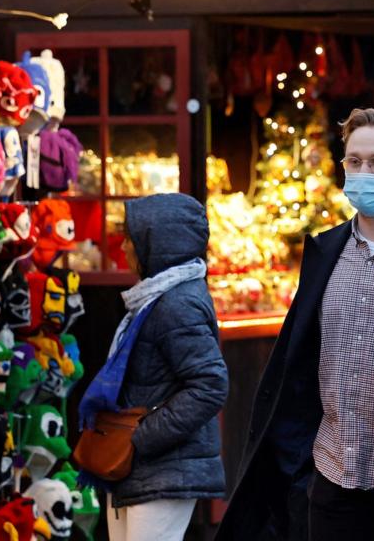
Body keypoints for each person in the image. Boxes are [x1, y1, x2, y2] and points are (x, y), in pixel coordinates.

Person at [217, 108, 374, 541]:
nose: (364, 172)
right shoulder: (325, 251)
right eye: (354, 161)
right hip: (330, 474)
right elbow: (301, 362)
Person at [79, 193, 228, 540]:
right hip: (143, 466)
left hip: (163, 466)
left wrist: (141, 436)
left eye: (131, 240)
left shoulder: (177, 304)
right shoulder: (155, 297)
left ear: (157, 245)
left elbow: (210, 385)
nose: (124, 249)